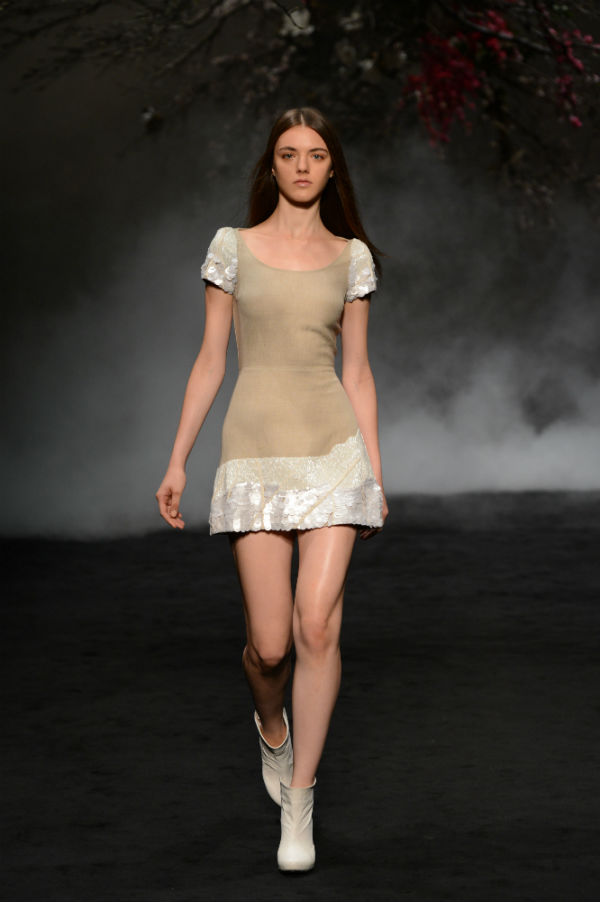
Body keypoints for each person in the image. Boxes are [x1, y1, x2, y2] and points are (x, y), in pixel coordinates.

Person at [155, 106, 389, 872]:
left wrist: (374, 474)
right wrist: (177, 461)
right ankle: (272, 727)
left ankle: (300, 799)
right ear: (273, 164)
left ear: (331, 167)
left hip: (333, 455)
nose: (302, 166)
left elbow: (358, 373)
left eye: (315, 154)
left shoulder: (351, 257)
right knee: (270, 647)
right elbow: (210, 361)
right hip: (253, 454)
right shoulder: (233, 247)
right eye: (289, 154)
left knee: (317, 627)